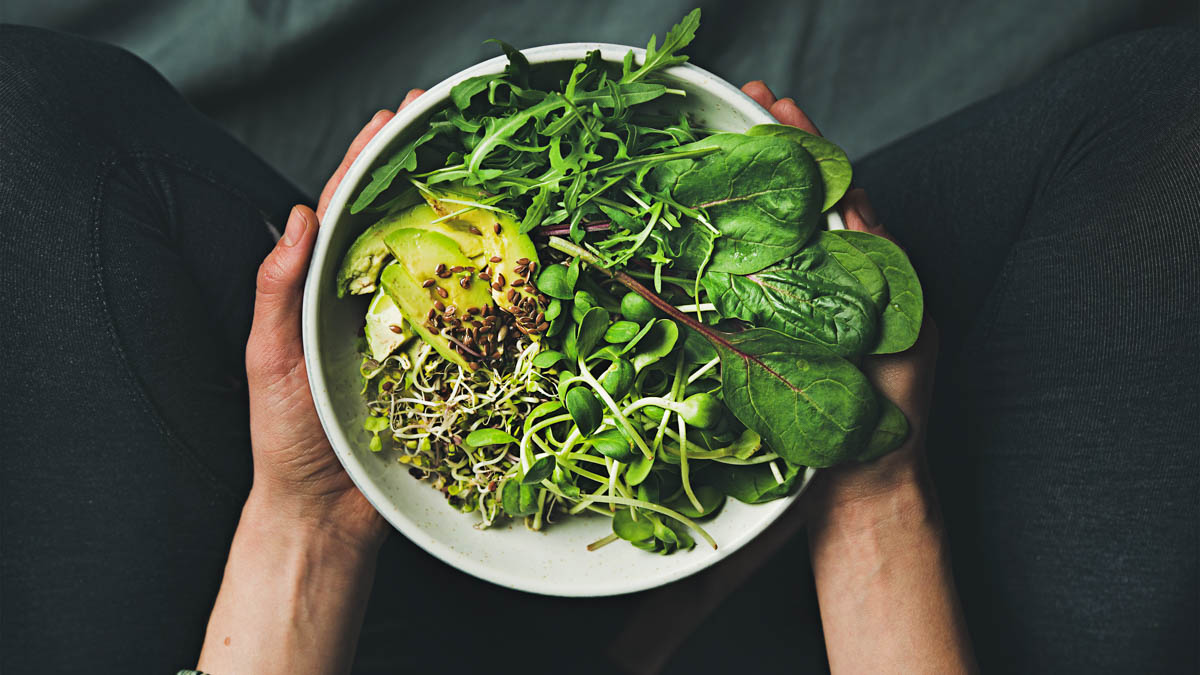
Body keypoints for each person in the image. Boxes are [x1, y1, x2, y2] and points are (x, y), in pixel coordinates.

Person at [1, 22, 1196, 675]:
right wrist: (873, 504)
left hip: (338, 626)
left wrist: (309, 522)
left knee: (24, 125)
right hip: (824, 621)